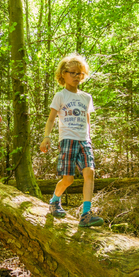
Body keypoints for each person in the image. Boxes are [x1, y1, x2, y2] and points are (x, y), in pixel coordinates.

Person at [39, 53, 104, 227]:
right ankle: (54, 201)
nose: (76, 76)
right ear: (63, 74)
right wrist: (46, 137)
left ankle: (86, 214)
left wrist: (89, 139)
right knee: (68, 179)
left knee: (89, 172)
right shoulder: (60, 96)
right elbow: (51, 119)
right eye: (73, 73)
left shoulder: (86, 97)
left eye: (80, 73)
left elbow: (87, 120)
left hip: (83, 140)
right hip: (67, 140)